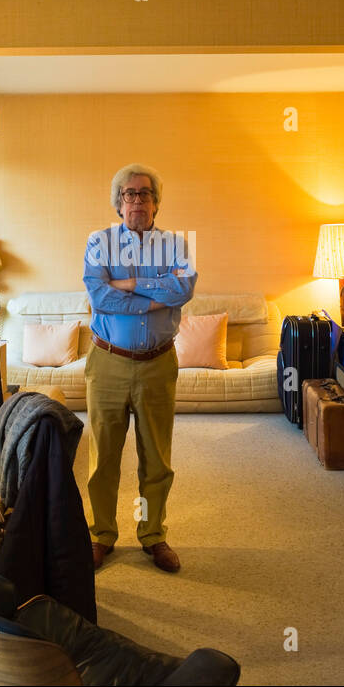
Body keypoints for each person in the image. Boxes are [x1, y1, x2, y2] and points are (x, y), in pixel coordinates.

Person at [81, 164, 196, 573]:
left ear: (156, 203)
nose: (137, 201)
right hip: (107, 362)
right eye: (129, 194)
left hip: (157, 364)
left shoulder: (176, 245)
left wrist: (128, 284)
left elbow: (183, 289)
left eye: (145, 194)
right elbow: (100, 297)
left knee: (157, 458)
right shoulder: (99, 243)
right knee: (103, 456)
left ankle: (153, 535)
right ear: (118, 203)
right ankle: (101, 535)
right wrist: (153, 296)